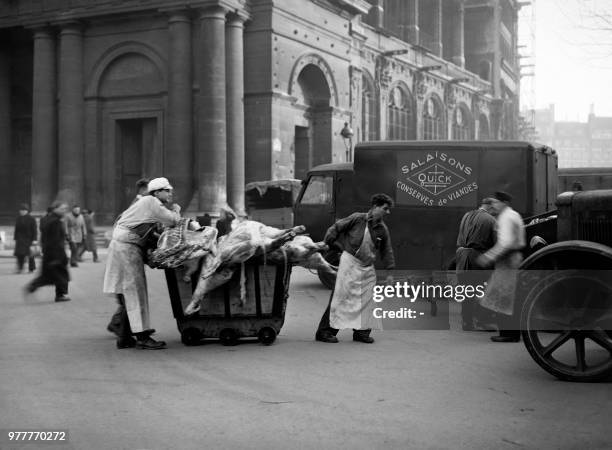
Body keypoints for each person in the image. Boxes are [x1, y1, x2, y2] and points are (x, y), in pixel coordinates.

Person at [103, 177, 182, 350]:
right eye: (167, 190)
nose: (170, 193)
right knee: (135, 290)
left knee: (127, 290)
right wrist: (176, 210)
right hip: (127, 247)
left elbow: (150, 230)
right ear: (157, 192)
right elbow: (172, 220)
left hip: (124, 245)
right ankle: (142, 336)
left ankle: (124, 336)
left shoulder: (146, 204)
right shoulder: (151, 202)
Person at [315, 193, 395, 344]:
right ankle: (325, 332)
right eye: (385, 208)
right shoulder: (357, 218)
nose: (387, 212)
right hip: (349, 263)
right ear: (375, 207)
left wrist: (390, 272)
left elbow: (387, 251)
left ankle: (361, 333)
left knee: (367, 300)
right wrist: (330, 244)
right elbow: (335, 228)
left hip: (367, 268)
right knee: (340, 298)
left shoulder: (382, 229)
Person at [477, 191, 526, 343]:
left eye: (496, 202)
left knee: (503, 297)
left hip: (507, 260)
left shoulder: (506, 217)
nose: (494, 205)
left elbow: (505, 243)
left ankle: (508, 334)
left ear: (504, 202)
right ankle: (510, 333)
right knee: (507, 297)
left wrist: (488, 256)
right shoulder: (514, 214)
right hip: (513, 258)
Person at [455, 197, 497, 331]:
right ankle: (482, 320)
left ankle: (467, 322)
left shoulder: (466, 216)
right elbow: (496, 243)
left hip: (462, 257)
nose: (496, 211)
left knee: (467, 292)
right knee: (484, 290)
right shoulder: (491, 220)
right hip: (478, 258)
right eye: (494, 208)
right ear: (490, 206)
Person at [25, 201, 71, 302]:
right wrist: (58, 256)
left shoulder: (50, 219)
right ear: (55, 209)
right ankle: (59, 295)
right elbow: (55, 240)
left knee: (52, 276)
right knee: (59, 276)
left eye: (65, 209)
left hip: (50, 253)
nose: (65, 211)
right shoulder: (55, 221)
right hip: (55, 254)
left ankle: (58, 294)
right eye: (62, 209)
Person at [13, 203, 38, 274]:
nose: (22, 211)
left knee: (30, 254)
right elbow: (16, 229)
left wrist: (35, 239)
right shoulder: (18, 218)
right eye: (21, 210)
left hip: (28, 239)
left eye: (24, 210)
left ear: (27, 211)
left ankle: (31, 268)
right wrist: (15, 238)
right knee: (19, 254)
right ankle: (20, 268)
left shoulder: (31, 219)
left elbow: (34, 230)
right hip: (20, 239)